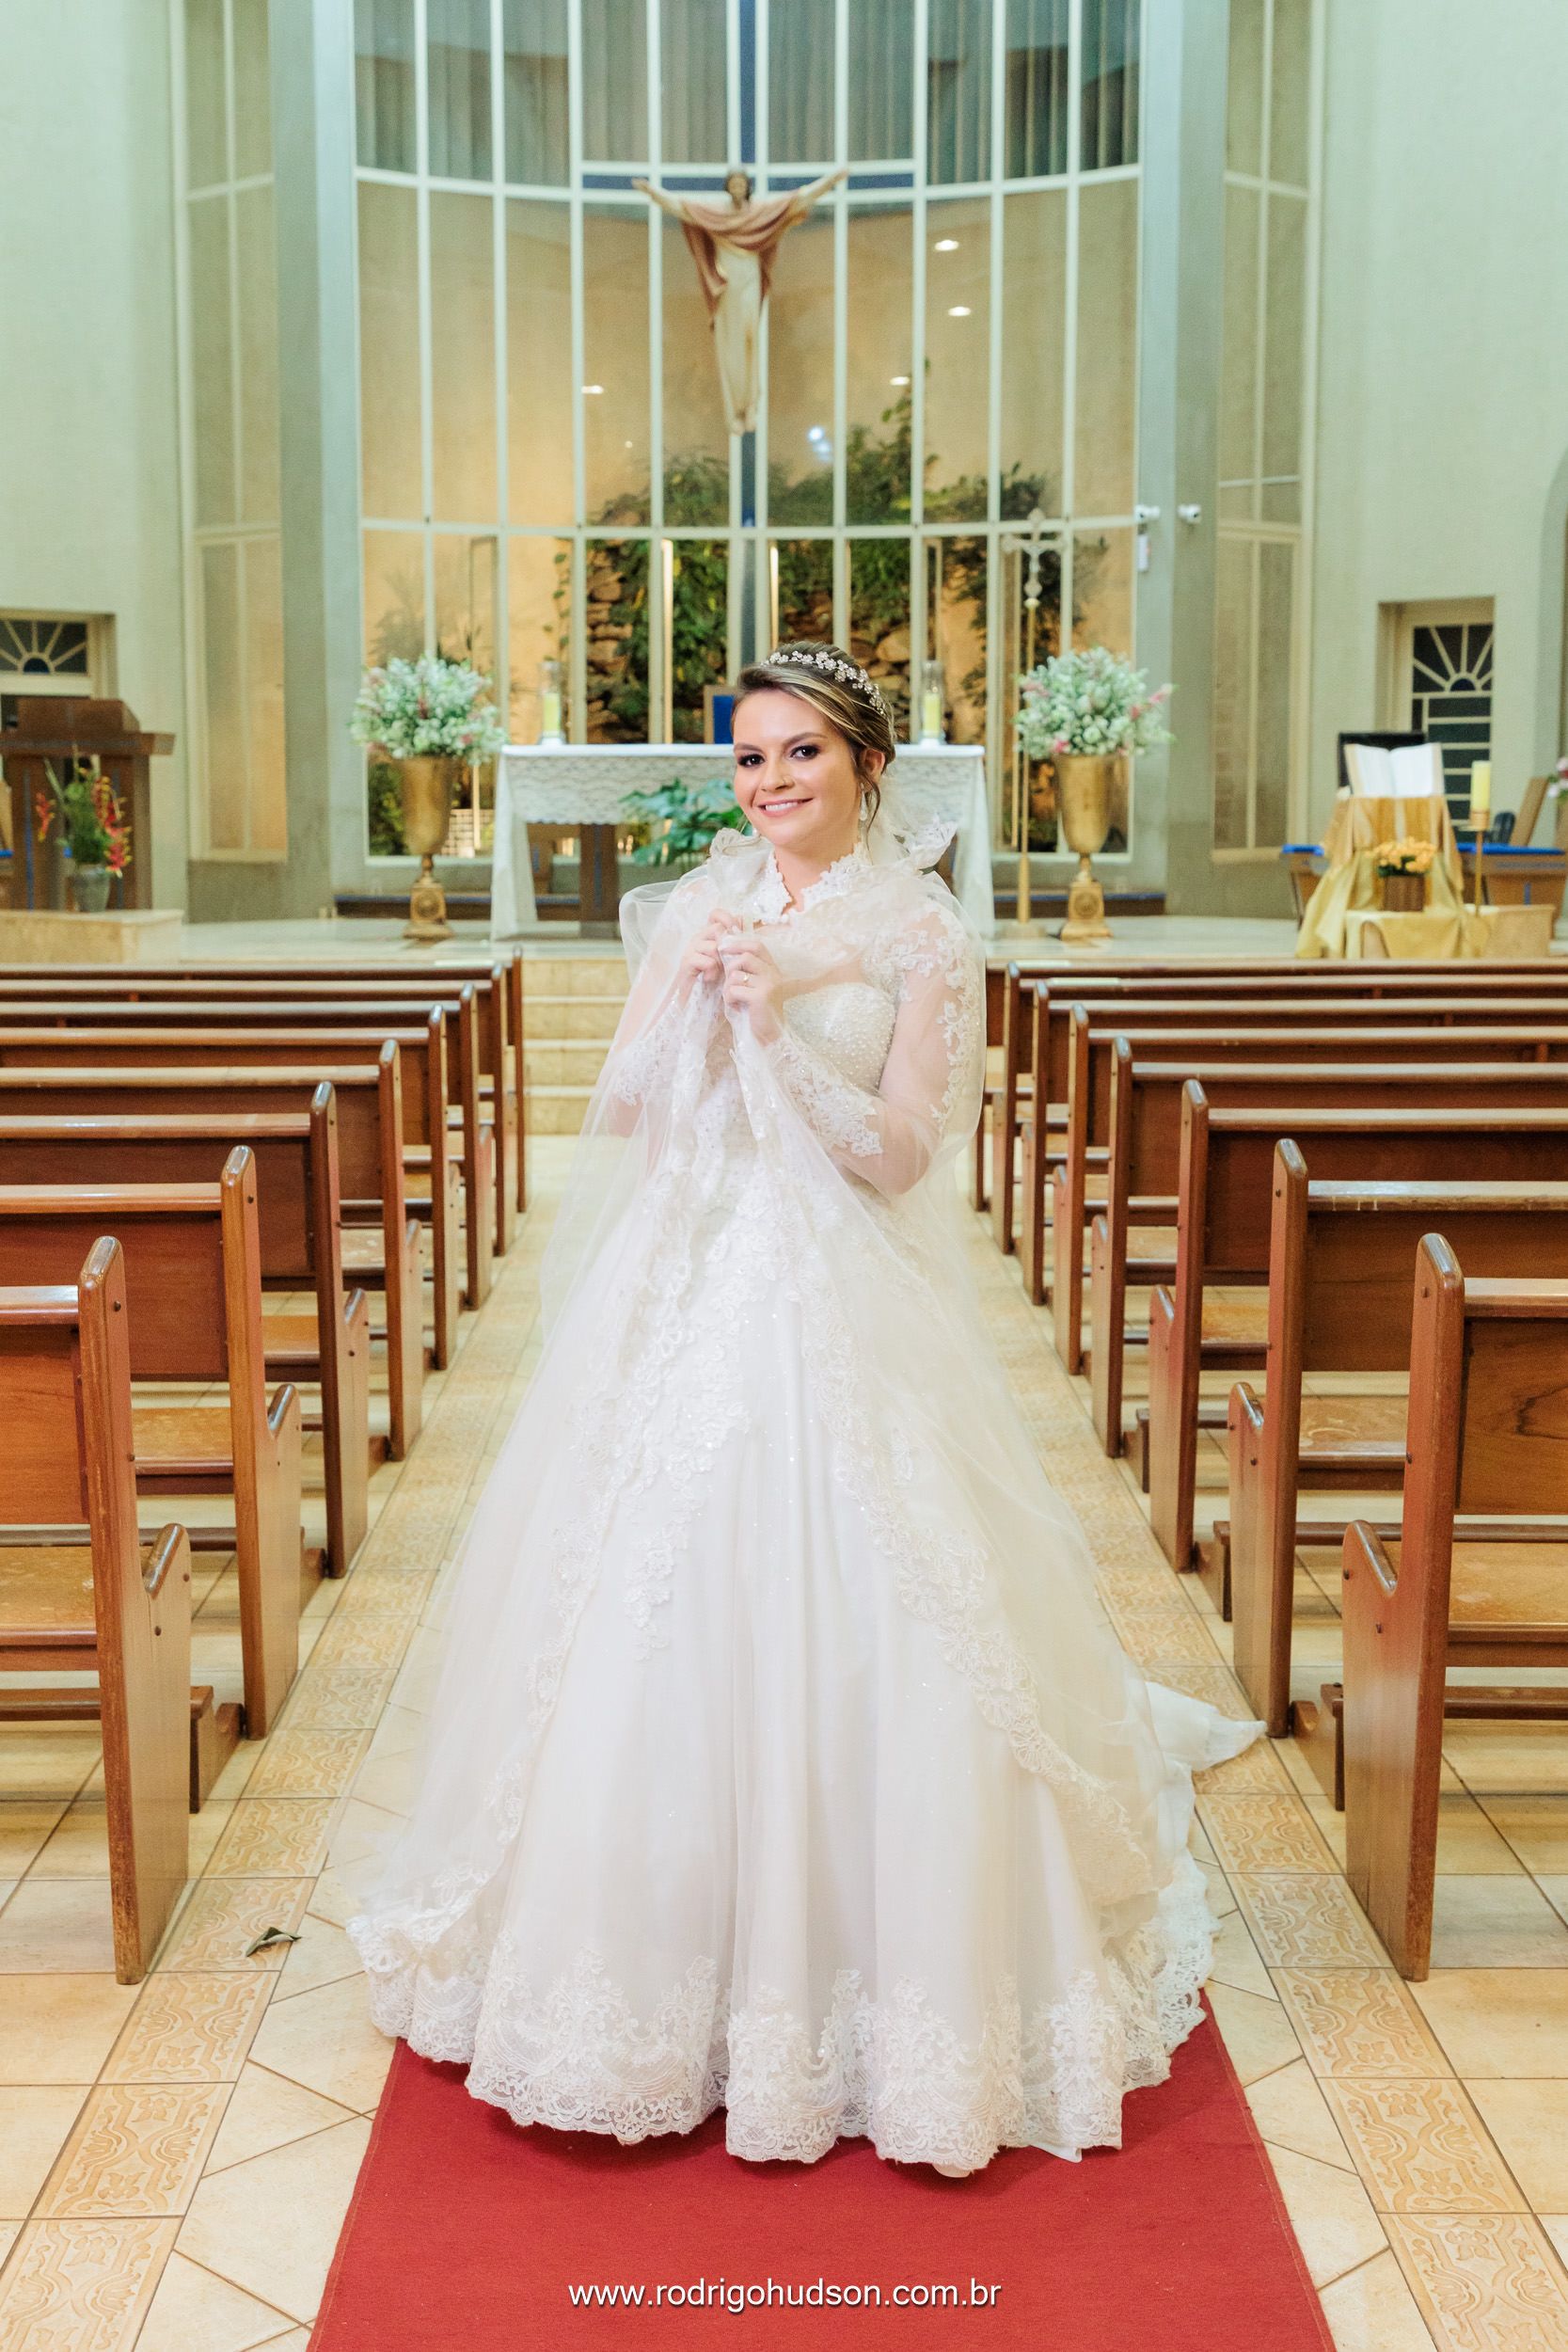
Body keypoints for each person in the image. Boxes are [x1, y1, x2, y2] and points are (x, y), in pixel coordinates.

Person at [346, 642, 1259, 2176]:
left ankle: (886, 1983)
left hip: (848, 1297)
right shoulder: (698, 907)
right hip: (697, 1279)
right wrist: (693, 1019)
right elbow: (628, 1109)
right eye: (751, 758)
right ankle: (645, 1983)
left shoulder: (924, 932)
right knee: (646, 1605)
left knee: (893, 1592)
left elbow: (904, 1154)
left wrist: (774, 1037)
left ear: (868, 767)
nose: (770, 782)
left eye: (802, 753)